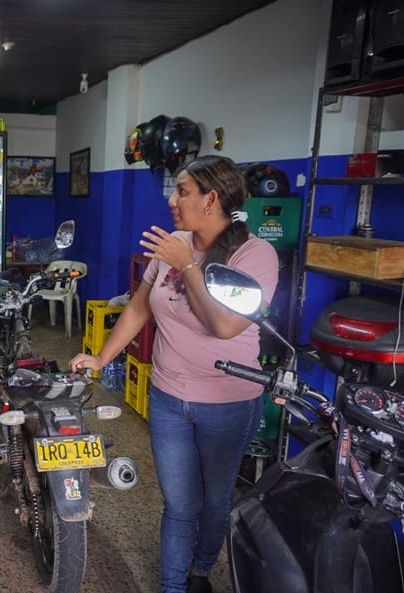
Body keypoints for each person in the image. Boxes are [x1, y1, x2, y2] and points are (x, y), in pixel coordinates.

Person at [69, 155, 278, 593]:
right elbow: (141, 307)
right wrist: (101, 357)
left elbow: (224, 327)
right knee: (180, 504)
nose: (171, 199)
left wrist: (188, 266)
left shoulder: (256, 255)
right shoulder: (174, 245)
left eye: (182, 191)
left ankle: (201, 569)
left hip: (228, 402)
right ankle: (172, 587)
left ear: (212, 199)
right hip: (167, 397)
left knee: (216, 500)